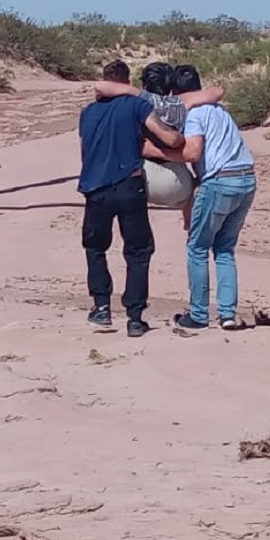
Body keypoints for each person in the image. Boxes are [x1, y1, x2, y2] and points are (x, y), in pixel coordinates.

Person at [78, 59, 186, 337]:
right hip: (129, 184)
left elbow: (86, 149)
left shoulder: (87, 113)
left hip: (95, 188)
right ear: (127, 83)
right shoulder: (136, 105)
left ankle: (101, 307)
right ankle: (135, 317)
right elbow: (169, 137)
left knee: (95, 248)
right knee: (138, 251)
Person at [147, 64, 257, 333]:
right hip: (247, 179)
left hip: (220, 182)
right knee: (224, 249)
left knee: (197, 248)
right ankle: (227, 314)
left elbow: (193, 153)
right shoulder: (222, 111)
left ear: (176, 93)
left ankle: (197, 314)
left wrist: (155, 152)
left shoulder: (195, 114)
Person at [94, 61, 224, 230]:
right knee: (196, 184)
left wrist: (134, 90)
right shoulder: (179, 102)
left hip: (138, 181)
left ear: (144, 83)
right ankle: (189, 224)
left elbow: (100, 86)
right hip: (179, 184)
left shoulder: (138, 101)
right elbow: (219, 91)